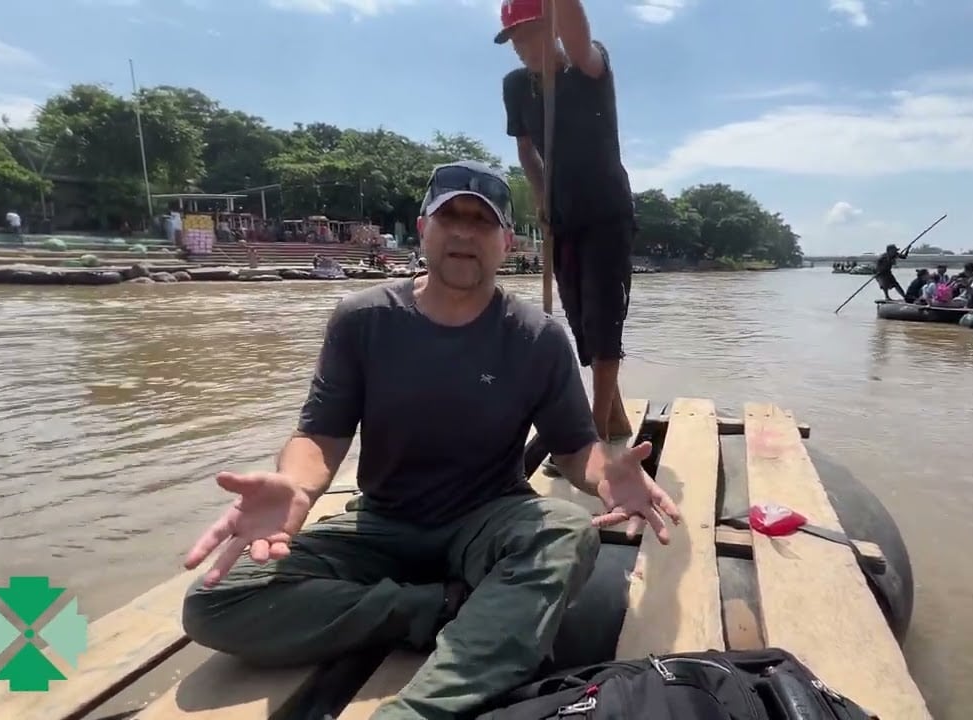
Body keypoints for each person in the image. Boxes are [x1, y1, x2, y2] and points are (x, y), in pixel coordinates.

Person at [179, 160, 680, 720]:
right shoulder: (362, 319)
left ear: (506, 240)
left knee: (566, 535)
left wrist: (604, 471)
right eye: (451, 217)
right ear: (423, 229)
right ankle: (443, 607)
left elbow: (572, 446)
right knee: (214, 602)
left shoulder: (536, 337)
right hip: (383, 522)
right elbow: (320, 434)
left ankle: (415, 712)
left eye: (482, 222)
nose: (465, 232)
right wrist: (296, 485)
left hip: (487, 520)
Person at [497, 0, 637, 444]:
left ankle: (592, 434)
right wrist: (541, 195)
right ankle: (614, 420)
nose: (522, 47)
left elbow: (577, 34)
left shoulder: (588, 67)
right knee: (578, 319)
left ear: (552, 27)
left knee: (603, 316)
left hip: (606, 212)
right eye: (514, 39)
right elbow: (525, 150)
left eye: (531, 34)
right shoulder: (516, 87)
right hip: (562, 215)